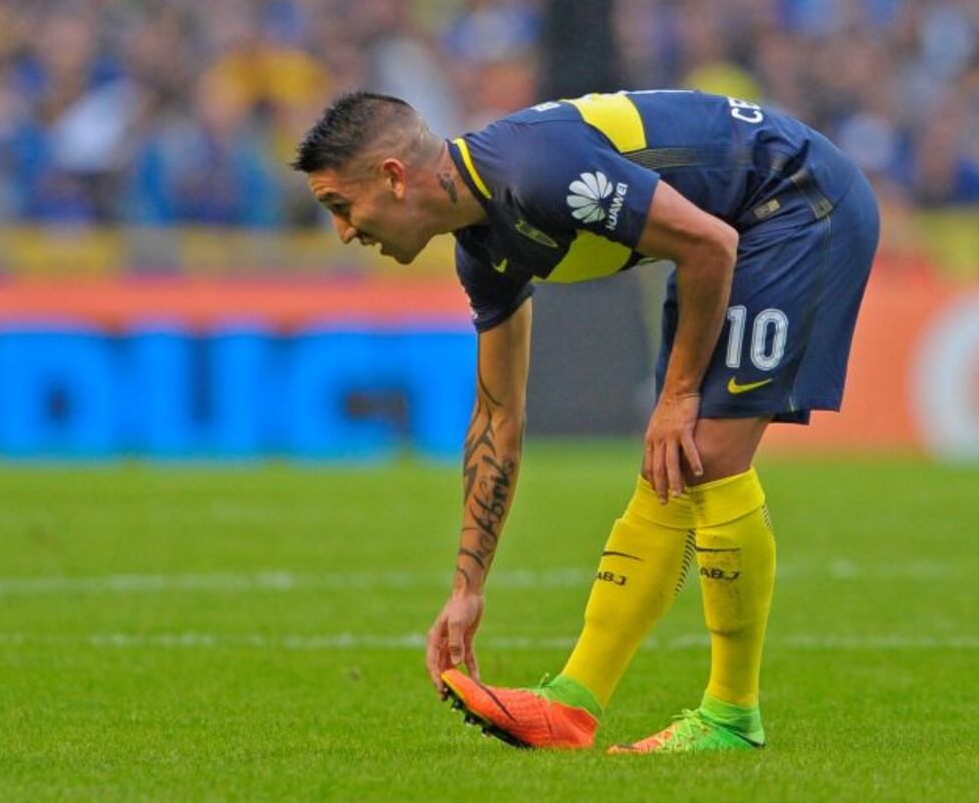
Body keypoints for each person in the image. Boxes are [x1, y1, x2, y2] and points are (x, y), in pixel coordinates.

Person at [292, 89, 879, 752]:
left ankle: (731, 718)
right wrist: (467, 590)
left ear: (393, 178)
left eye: (341, 207)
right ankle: (572, 704)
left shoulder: (537, 171)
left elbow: (711, 244)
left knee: (707, 455)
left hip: (797, 200)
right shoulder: (483, 251)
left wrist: (679, 395)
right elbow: (497, 416)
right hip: (729, 231)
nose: (344, 231)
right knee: (673, 468)